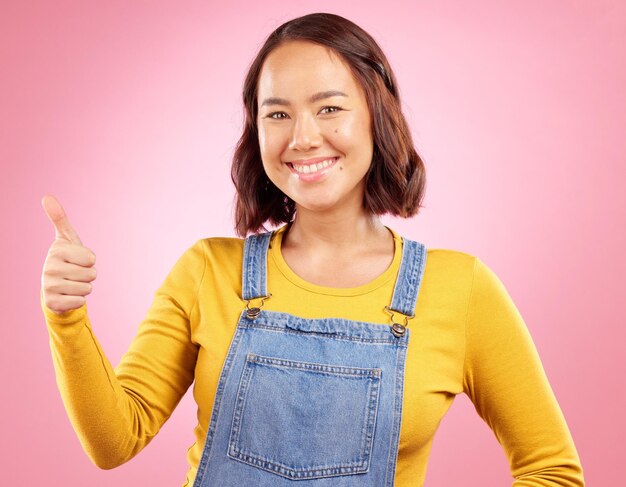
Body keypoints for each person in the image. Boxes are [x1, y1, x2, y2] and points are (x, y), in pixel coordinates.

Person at [40, 12, 585, 487]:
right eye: (277, 114)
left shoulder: (461, 289)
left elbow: (552, 469)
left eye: (329, 109)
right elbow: (115, 442)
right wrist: (66, 317)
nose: (301, 137)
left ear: (377, 113)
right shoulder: (207, 270)